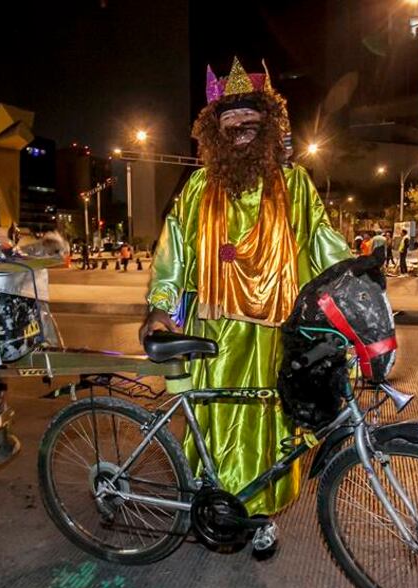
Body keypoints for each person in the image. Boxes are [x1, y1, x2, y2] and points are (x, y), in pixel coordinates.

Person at [141, 57, 351, 517]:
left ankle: (259, 514)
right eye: (229, 124)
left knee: (270, 420)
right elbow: (173, 252)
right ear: (215, 133)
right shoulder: (197, 187)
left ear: (270, 125)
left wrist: (358, 286)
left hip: (274, 334)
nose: (240, 130)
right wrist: (160, 307)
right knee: (213, 421)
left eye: (250, 122)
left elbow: (322, 242)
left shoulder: (295, 185)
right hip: (213, 329)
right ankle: (213, 505)